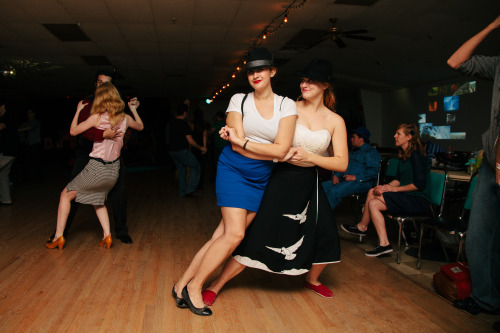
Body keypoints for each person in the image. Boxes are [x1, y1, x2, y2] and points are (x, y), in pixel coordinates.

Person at [199, 58, 348, 306]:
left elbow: (341, 163)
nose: (304, 84)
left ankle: (312, 280)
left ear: (325, 85)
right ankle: (216, 285)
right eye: (302, 80)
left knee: (326, 233)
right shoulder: (289, 107)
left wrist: (311, 157)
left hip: (309, 182)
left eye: (310, 81)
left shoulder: (335, 121)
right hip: (279, 176)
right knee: (255, 232)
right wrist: (232, 133)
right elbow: (261, 131)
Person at [172, 47, 297, 316]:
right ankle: (196, 287)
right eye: (251, 70)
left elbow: (280, 148)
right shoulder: (238, 100)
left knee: (221, 236)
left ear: (272, 71)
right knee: (235, 234)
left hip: (262, 177)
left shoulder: (287, 105)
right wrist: (265, 148)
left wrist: (246, 141)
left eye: (261, 69)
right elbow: (241, 149)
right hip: (234, 171)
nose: (255, 75)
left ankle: (181, 284)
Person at [46, 82, 144, 250]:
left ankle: (57, 237)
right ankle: (107, 236)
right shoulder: (125, 118)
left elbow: (73, 131)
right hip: (114, 171)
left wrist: (78, 111)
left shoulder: (97, 117)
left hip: (97, 167)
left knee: (65, 195)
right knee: (97, 199)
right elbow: (140, 127)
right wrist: (133, 109)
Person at [446, 15, 500, 318]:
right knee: (479, 236)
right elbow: (456, 61)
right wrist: (492, 27)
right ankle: (485, 300)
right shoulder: (497, 64)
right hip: (492, 164)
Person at [341, 123, 429, 257]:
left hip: (417, 199)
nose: (395, 136)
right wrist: (384, 187)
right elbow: (398, 179)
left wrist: (393, 189)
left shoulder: (416, 155)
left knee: (371, 194)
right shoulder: (404, 155)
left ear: (409, 137)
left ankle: (362, 227)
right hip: (405, 196)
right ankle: (384, 244)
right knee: (373, 202)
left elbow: (419, 185)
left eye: (398, 134)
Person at [322, 126, 380, 211]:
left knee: (335, 191)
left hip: (361, 182)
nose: (351, 139)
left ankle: (323, 217)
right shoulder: (352, 152)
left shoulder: (370, 152)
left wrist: (356, 177)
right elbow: (343, 166)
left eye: (354, 137)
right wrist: (336, 175)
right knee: (321, 187)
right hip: (344, 180)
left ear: (361, 139)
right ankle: (314, 213)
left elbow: (373, 171)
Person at [167, 103, 207, 197]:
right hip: (181, 150)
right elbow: (190, 141)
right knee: (196, 166)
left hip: (172, 151)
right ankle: (190, 190)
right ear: (185, 113)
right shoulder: (183, 124)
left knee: (182, 170)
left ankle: (182, 192)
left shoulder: (171, 122)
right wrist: (201, 147)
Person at [0, 100, 20, 205]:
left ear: (3, 106)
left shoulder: (7, 116)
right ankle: (6, 200)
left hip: (8, 152)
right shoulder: (7, 117)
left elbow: (1, 126)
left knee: (3, 176)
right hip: (10, 152)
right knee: (3, 176)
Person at [18, 109, 43, 181]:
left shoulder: (36, 122)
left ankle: (38, 178)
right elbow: (22, 127)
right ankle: (29, 178)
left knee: (36, 161)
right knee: (28, 161)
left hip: (36, 144)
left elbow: (29, 128)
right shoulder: (27, 122)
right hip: (29, 144)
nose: (28, 114)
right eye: (28, 113)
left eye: (30, 113)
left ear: (34, 114)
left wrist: (16, 130)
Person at [191, 108, 210, 192]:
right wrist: (204, 147)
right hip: (202, 147)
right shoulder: (204, 123)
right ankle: (200, 187)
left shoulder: (192, 124)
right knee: (202, 168)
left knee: (194, 167)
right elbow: (205, 135)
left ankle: (194, 186)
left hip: (195, 147)